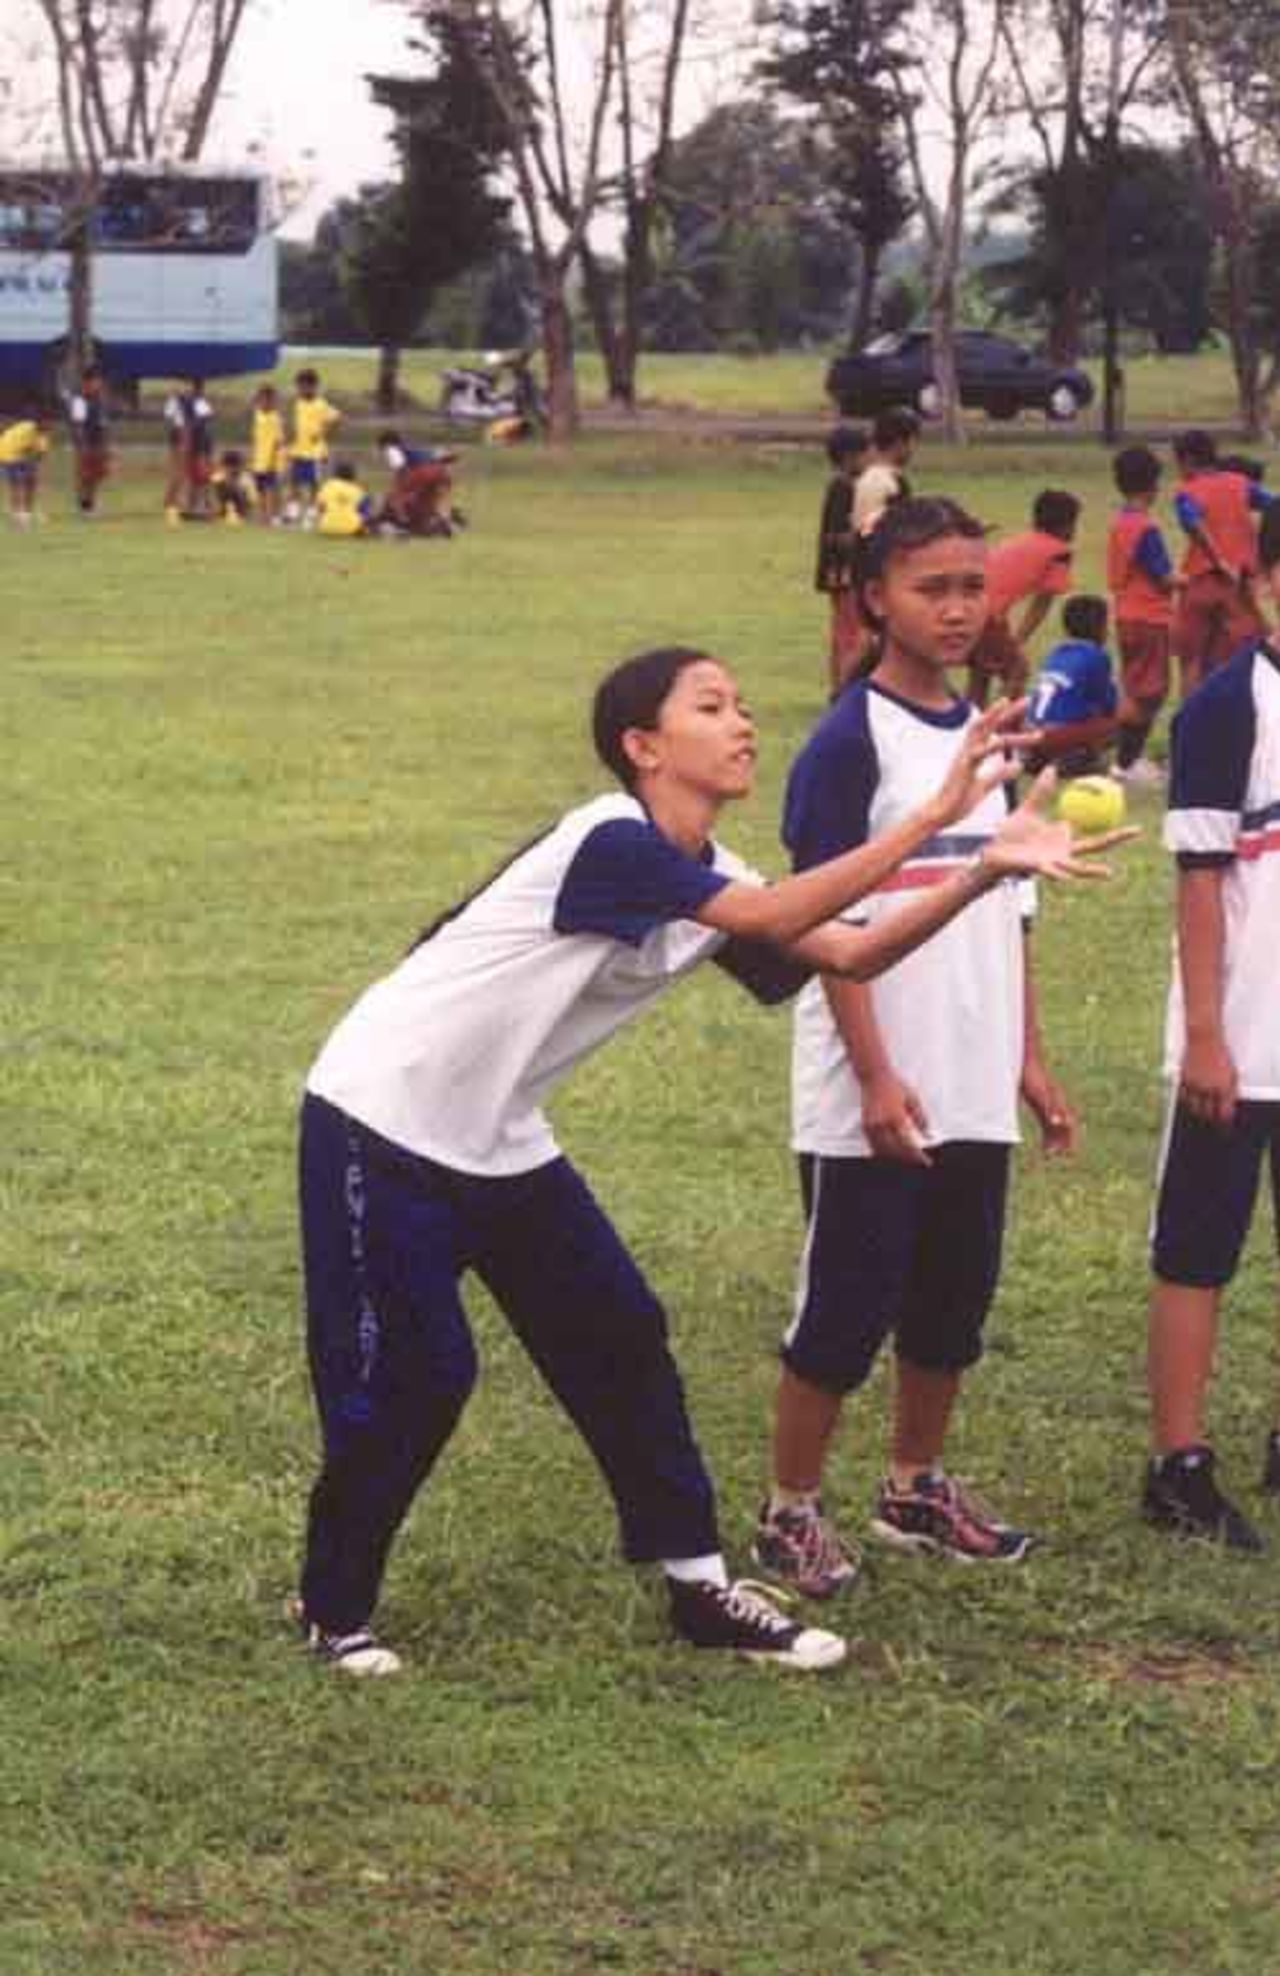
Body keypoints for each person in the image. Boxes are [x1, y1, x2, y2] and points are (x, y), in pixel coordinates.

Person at [292, 643, 1117, 1677]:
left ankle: (698, 1586)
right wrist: (934, 816)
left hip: (497, 1133)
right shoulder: (611, 839)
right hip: (380, 1115)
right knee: (422, 1372)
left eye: (742, 705)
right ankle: (332, 1607)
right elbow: (776, 918)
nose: (743, 724)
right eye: (712, 706)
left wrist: (981, 869)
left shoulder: (711, 872)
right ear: (643, 746)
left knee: (622, 1334)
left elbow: (848, 951)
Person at [755, 497, 1093, 1598]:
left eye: (970, 586)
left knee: (952, 1299)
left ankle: (913, 1486)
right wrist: (872, 1074)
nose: (956, 608)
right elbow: (821, 924)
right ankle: (789, 1512)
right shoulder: (847, 739)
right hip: (876, 1083)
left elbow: (1011, 903)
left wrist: (1025, 1054)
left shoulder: (986, 735)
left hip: (970, 1073)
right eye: (930, 588)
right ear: (873, 599)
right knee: (844, 1309)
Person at [1142, 500, 1280, 1554]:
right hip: (1238, 1033)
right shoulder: (1226, 709)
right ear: (1263, 587)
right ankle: (1177, 1465)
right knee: (1197, 1246)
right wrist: (1202, 1033)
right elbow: (1198, 882)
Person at [1171, 429, 1272, 700]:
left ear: (1188, 460)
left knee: (1192, 661)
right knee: (1237, 657)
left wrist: (1216, 558)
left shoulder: (1187, 492)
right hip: (1237, 584)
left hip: (1200, 581)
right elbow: (1273, 505)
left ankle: (1191, 719)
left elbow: (1191, 522)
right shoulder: (1241, 484)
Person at [967, 489, 1080, 707]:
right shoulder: (1059, 553)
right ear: (1066, 525)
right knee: (1017, 670)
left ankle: (971, 720)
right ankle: (999, 722)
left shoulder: (1023, 539)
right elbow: (1041, 605)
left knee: (981, 672)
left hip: (971, 607)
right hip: (988, 615)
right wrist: (1018, 641)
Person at [1107, 445, 1177, 785]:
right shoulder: (1146, 528)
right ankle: (1126, 763)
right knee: (1150, 692)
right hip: (1149, 617)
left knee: (1136, 687)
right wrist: (1192, 578)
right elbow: (1164, 577)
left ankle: (1123, 757)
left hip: (1126, 613)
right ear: (1152, 484)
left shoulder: (1120, 521)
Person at [1025, 595, 1120, 778]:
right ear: (1099, 628)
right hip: (1055, 736)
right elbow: (1109, 705)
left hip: (1030, 732)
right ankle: (1077, 761)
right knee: (1119, 721)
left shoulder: (1057, 651)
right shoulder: (1097, 656)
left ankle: (1039, 759)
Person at [814, 423, 870, 695]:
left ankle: (839, 687)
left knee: (843, 632)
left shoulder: (844, 485)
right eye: (864, 454)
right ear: (849, 456)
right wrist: (868, 533)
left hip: (841, 572)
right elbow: (836, 536)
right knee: (852, 634)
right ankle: (845, 689)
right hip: (844, 572)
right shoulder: (843, 487)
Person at [378, 429, 461, 537]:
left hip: (423, 472)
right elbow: (445, 457)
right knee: (435, 501)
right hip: (442, 473)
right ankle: (446, 523)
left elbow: (400, 469)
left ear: (387, 444)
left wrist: (397, 488)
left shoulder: (392, 449)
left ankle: (403, 525)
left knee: (396, 497)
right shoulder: (412, 448)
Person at [851, 407, 918, 539]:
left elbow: (861, 531)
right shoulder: (895, 482)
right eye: (913, 442)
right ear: (900, 443)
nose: (914, 449)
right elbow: (901, 534)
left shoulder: (865, 478)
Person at [287, 368, 340, 525]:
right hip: (298, 450)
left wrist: (322, 433)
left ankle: (311, 515)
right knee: (294, 481)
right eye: (299, 386)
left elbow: (337, 418)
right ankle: (292, 514)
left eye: (303, 386)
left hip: (315, 452)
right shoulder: (298, 403)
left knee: (314, 484)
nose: (300, 390)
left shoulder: (321, 404)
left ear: (313, 386)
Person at [67, 367, 110, 515]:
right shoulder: (80, 400)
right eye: (97, 381)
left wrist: (105, 443)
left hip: (98, 441)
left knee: (97, 474)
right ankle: (84, 505)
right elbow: (78, 425)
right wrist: (83, 445)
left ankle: (91, 502)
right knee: (85, 474)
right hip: (87, 442)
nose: (99, 384)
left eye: (100, 381)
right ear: (87, 382)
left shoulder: (98, 399)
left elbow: (103, 422)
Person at [0, 409, 51, 525]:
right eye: (46, 422)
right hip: (7, 453)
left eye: (50, 422)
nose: (49, 425)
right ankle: (17, 514)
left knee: (31, 481)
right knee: (16, 483)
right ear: (39, 422)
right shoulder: (25, 430)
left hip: (22, 455)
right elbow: (25, 451)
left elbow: (41, 454)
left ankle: (27, 513)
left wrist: (38, 462)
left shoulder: (42, 434)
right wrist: (34, 462)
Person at [250, 383, 287, 526]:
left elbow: (279, 442)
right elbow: (255, 439)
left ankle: (270, 517)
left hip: (270, 461)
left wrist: (273, 460)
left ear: (273, 401)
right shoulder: (257, 415)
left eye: (268, 399)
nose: (264, 403)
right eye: (261, 399)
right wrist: (253, 457)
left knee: (269, 489)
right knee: (259, 489)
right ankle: (261, 516)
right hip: (258, 460)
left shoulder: (275, 418)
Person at [315, 460, 375, 538]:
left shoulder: (327, 486)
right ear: (353, 474)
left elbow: (320, 507)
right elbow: (365, 513)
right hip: (352, 528)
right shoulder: (358, 489)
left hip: (326, 527)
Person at [211, 448, 254, 524]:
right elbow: (212, 501)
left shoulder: (246, 480)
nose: (231, 470)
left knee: (239, 490)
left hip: (241, 518)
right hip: (220, 516)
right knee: (220, 486)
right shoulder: (217, 478)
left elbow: (251, 504)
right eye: (228, 467)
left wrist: (236, 490)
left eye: (234, 466)